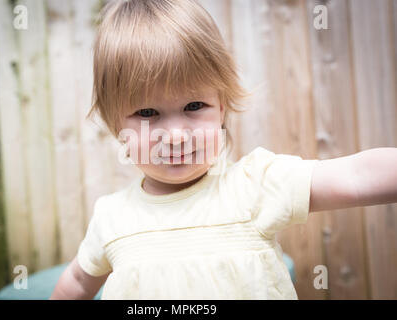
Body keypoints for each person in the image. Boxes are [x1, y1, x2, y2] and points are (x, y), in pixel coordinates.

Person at [50, 0, 397, 299]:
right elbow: (79, 280)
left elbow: (355, 176)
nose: (175, 135)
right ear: (117, 125)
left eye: (194, 105)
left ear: (222, 107)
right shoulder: (112, 217)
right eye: (147, 113)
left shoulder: (255, 185)